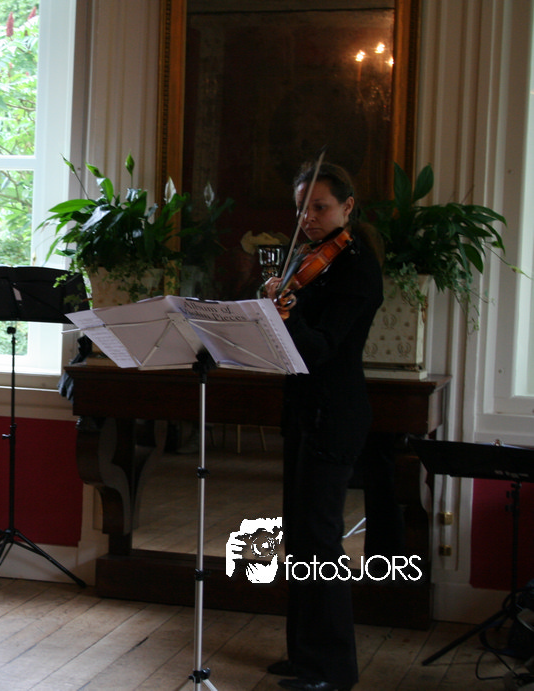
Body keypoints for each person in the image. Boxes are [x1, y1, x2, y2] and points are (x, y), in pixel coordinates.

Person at [262, 162, 384, 691]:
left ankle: (332, 669)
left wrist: (286, 315)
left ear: (347, 207)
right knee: (300, 539)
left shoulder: (357, 268)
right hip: (304, 409)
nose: (307, 218)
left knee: (321, 544)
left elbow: (322, 347)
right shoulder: (309, 260)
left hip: (334, 411)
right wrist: (273, 304)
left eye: (320, 207)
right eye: (301, 209)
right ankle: (305, 655)